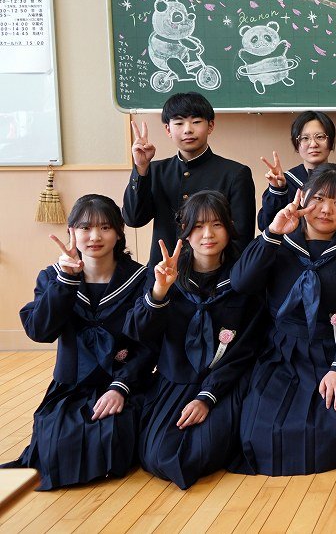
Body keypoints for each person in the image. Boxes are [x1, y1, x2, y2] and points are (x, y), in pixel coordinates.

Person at [230, 164, 336, 475]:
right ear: (302, 198)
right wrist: (272, 234)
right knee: (261, 431)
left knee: (334, 428)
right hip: (283, 350)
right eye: (319, 199)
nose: (326, 210)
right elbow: (241, 283)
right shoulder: (281, 235)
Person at [3, 195, 151, 490]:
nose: (95, 237)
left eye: (105, 227)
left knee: (113, 436)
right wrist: (66, 282)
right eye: (85, 228)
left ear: (119, 232)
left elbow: (150, 343)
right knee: (56, 444)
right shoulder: (52, 277)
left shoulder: (140, 278)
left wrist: (120, 387)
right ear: (71, 231)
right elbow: (40, 331)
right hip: (71, 384)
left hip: (124, 381)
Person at [125, 191, 265, 489]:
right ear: (185, 231)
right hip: (176, 378)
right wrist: (160, 291)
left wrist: (207, 396)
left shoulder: (243, 278)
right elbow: (140, 333)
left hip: (224, 382)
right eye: (198, 226)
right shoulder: (167, 273)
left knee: (198, 453)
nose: (208, 234)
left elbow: (246, 348)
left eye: (216, 224)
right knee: (156, 455)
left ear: (229, 227)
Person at [124, 92, 256, 264]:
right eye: (179, 123)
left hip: (215, 274)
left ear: (210, 126)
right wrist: (141, 168)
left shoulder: (235, 173)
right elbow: (134, 219)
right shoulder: (155, 170)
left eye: (196, 122)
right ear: (168, 129)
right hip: (162, 271)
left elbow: (242, 238)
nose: (188, 129)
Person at [258, 111, 336, 231]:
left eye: (320, 137)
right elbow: (265, 225)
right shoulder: (286, 181)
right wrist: (277, 190)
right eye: (305, 138)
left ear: (331, 141)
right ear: (296, 144)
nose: (313, 144)